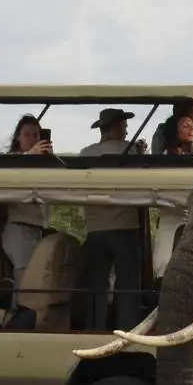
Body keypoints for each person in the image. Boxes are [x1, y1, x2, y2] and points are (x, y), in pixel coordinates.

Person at [74, 108, 144, 331]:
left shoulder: (85, 153)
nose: (126, 131)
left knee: (97, 286)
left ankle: (95, 329)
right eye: (123, 126)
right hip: (124, 226)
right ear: (114, 127)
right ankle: (127, 330)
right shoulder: (129, 151)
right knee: (128, 285)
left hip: (95, 229)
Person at [2, 114, 53, 287]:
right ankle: (20, 313)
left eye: (36, 135)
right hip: (19, 228)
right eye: (27, 134)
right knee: (25, 282)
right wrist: (30, 155)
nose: (32, 139)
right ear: (18, 137)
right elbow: (10, 177)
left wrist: (50, 160)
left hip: (36, 229)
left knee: (34, 280)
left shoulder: (41, 164)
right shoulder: (11, 160)